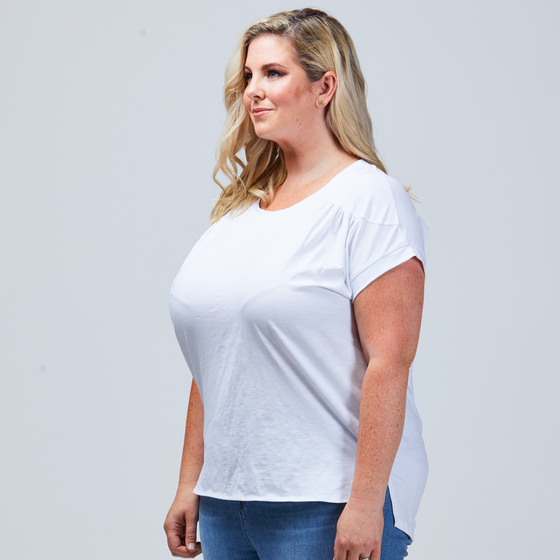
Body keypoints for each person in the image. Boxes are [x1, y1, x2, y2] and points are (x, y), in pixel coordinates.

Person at [164, 8, 428, 560]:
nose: (253, 91)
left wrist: (365, 504)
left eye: (273, 73)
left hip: (325, 504)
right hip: (226, 504)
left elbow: (390, 362)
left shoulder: (368, 201)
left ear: (324, 87)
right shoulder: (238, 214)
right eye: (248, 76)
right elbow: (216, 358)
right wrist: (192, 480)